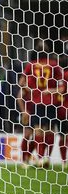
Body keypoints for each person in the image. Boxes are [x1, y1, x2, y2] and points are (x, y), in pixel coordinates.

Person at [17, 40, 64, 168]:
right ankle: (41, 158)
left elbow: (21, 83)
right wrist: (51, 90)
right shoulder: (54, 65)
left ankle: (40, 158)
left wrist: (29, 88)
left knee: (38, 132)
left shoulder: (31, 65)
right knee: (48, 131)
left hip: (36, 103)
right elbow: (62, 87)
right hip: (49, 102)